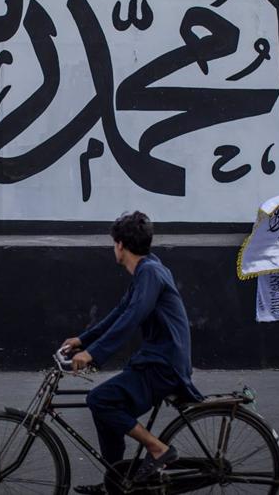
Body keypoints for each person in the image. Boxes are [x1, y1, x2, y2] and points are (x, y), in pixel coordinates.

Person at [60, 211, 203, 495]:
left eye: (114, 243)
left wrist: (92, 355)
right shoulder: (148, 269)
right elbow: (120, 312)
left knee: (100, 399)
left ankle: (157, 448)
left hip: (163, 366)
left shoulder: (149, 273)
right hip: (156, 361)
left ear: (121, 245)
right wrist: (82, 340)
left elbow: (132, 318)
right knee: (106, 410)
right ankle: (116, 482)